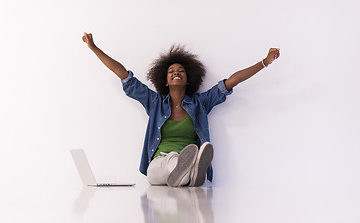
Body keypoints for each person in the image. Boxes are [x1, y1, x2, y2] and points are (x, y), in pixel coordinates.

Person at [82, 32, 280, 187]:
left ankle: (188, 171)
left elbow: (231, 81)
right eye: (171, 72)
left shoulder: (201, 102)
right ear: (165, 81)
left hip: (182, 166)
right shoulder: (154, 102)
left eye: (181, 71)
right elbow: (124, 75)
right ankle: (190, 169)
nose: (176, 72)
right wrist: (93, 48)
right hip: (159, 164)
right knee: (164, 168)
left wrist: (265, 62)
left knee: (179, 176)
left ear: (188, 78)